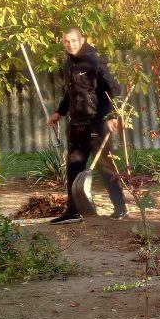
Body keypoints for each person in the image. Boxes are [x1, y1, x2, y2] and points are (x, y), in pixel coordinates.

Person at [46, 28, 128, 224]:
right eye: (66, 41)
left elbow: (113, 88)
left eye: (74, 40)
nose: (70, 44)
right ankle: (74, 211)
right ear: (63, 42)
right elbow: (71, 93)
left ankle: (120, 207)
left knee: (106, 167)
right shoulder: (68, 63)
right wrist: (60, 112)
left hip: (96, 124)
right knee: (73, 168)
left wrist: (111, 116)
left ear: (81, 40)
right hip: (76, 125)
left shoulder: (94, 61)